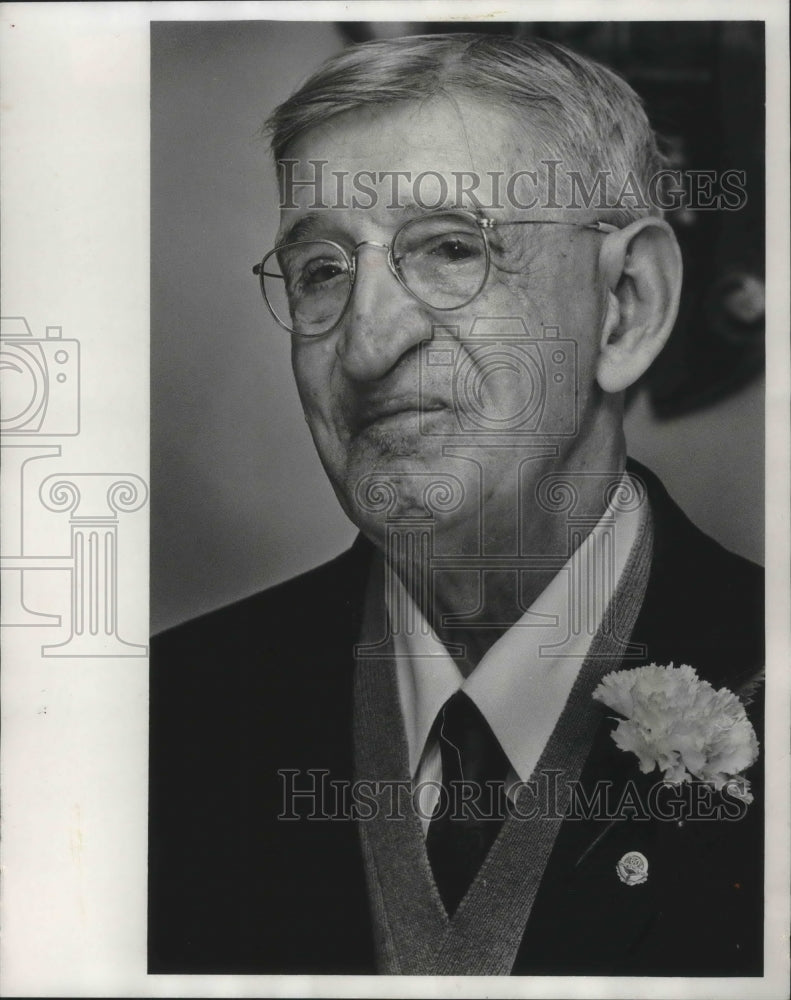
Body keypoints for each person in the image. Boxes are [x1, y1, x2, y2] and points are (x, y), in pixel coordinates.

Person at [148, 33, 764, 977]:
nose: (364, 344)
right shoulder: (165, 721)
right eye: (321, 269)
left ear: (626, 307)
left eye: (448, 250)